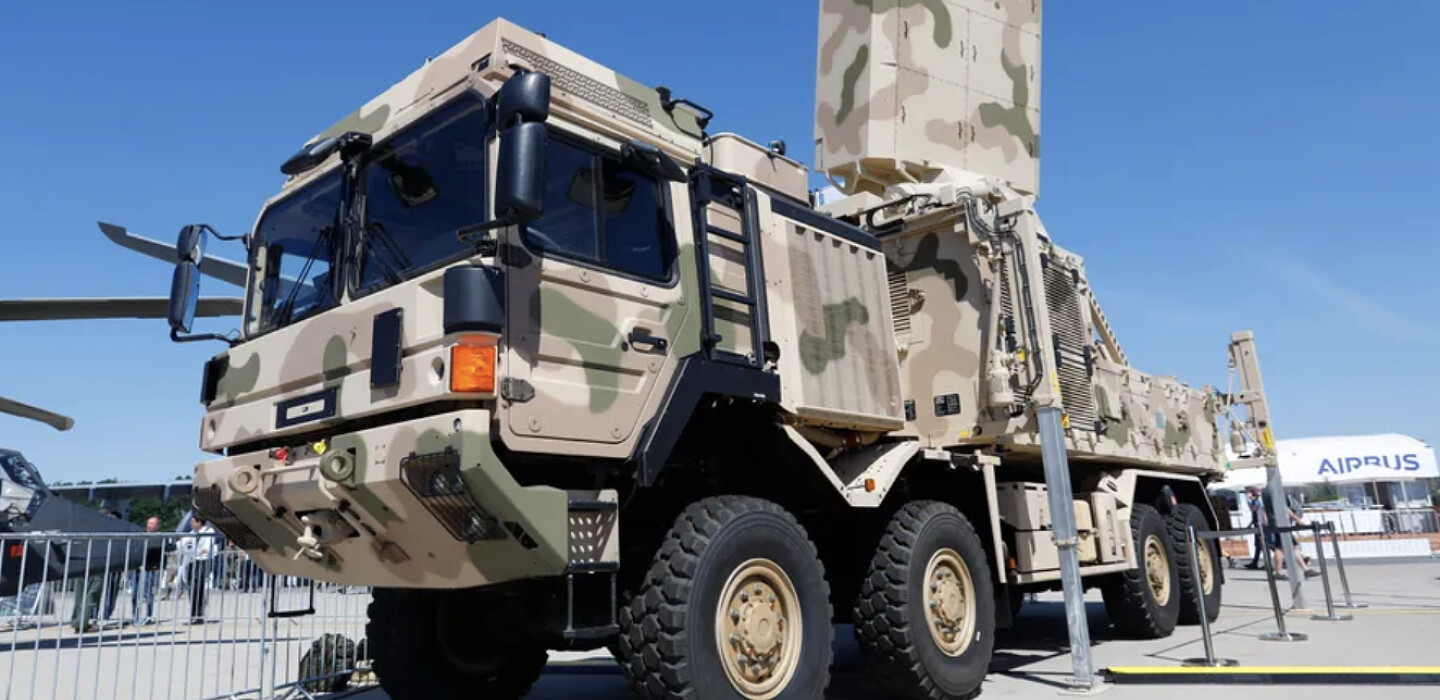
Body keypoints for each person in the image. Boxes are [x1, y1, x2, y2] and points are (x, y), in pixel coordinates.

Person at [129, 516, 164, 625]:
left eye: (152, 524)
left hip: (151, 568)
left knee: (148, 592)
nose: (149, 526)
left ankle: (148, 615)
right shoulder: (140, 535)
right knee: (135, 593)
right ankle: (135, 616)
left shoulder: (160, 537)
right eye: (149, 523)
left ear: (157, 526)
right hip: (137, 567)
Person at [183, 514, 217, 624]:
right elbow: (185, 543)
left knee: (198, 588)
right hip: (192, 561)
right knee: (192, 588)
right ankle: (194, 614)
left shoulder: (208, 531)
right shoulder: (192, 533)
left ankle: (198, 614)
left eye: (193, 521)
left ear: (199, 522)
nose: (191, 524)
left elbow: (206, 548)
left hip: (202, 561)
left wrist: (197, 551)